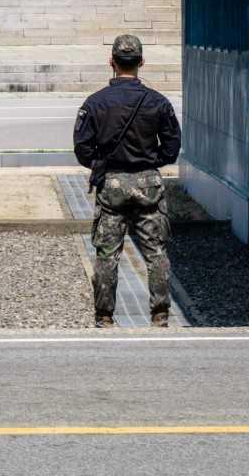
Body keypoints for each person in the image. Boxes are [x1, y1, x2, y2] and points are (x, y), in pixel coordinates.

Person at [73, 33, 181, 329]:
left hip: (112, 184)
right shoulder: (158, 102)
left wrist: (101, 163)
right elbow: (172, 147)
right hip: (148, 183)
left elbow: (82, 148)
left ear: (111, 62)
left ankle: (104, 316)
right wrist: (149, 161)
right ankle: (159, 314)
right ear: (141, 62)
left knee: (107, 254)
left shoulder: (95, 103)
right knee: (156, 252)